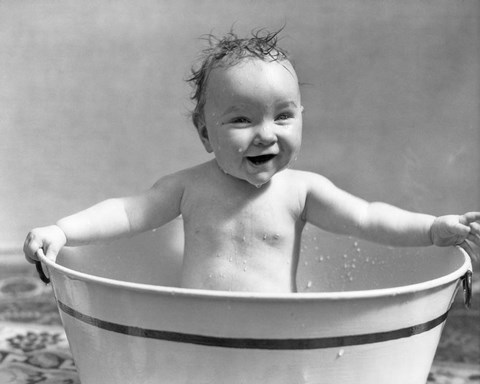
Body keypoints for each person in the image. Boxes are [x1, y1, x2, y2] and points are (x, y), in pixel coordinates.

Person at [23, 30, 480, 293]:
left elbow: (369, 219)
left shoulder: (303, 192)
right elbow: (125, 211)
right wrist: (61, 230)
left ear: (301, 118)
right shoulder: (188, 187)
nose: (266, 133)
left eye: (282, 115)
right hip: (190, 328)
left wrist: (432, 229)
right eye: (241, 119)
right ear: (205, 134)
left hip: (273, 332)